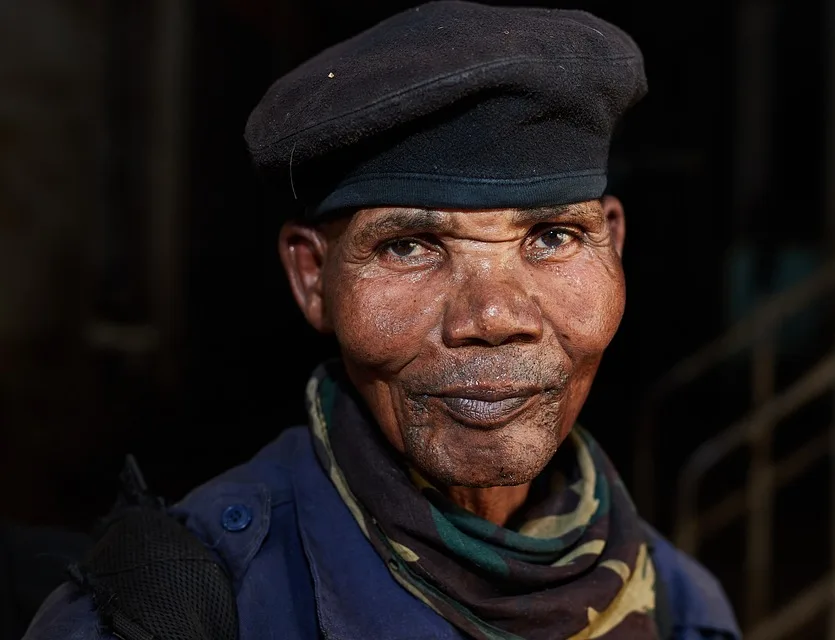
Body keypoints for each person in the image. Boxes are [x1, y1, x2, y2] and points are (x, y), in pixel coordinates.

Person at [25, 2, 740, 638]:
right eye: (409, 247)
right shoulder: (177, 613)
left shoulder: (682, 606)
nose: (493, 316)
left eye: (552, 237)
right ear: (313, 279)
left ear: (613, 247)